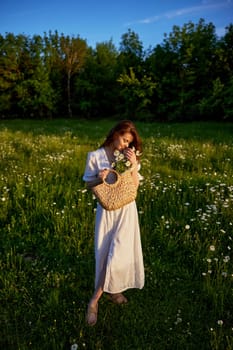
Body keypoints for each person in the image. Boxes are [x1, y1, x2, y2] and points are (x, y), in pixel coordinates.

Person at [83, 120, 144, 326]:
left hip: (127, 210)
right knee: (105, 253)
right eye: (124, 140)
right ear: (115, 133)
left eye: (130, 142)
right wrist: (100, 179)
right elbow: (87, 183)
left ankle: (101, 297)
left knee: (119, 253)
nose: (126, 145)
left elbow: (135, 187)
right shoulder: (95, 156)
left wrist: (134, 165)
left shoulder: (128, 157)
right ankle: (105, 295)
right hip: (107, 212)